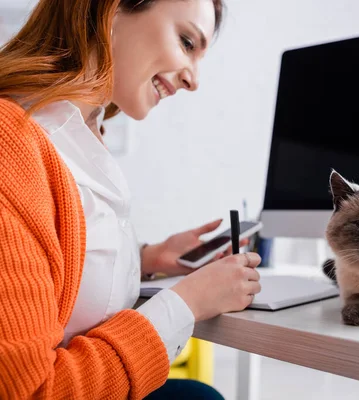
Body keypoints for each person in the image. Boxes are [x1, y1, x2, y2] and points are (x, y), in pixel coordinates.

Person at [0, 0, 262, 399]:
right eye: (187, 40)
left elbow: (43, 268)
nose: (194, 80)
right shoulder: (11, 143)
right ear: (112, 10)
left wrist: (146, 259)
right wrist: (185, 303)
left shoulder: (80, 137)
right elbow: (33, 390)